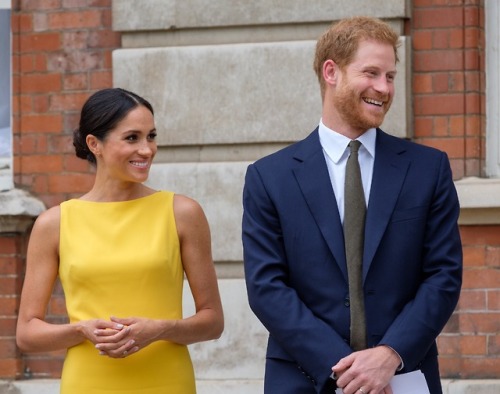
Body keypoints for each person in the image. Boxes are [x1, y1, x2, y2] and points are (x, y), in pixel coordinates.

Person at [242, 16, 462, 394]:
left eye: (390, 76)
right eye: (371, 73)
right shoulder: (269, 177)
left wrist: (390, 354)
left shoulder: (428, 168)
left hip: (402, 376)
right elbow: (267, 287)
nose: (384, 88)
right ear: (332, 72)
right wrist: (345, 370)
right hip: (304, 378)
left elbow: (443, 275)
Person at [16, 88, 224, 393]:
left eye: (151, 136)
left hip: (166, 381)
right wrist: (81, 330)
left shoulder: (182, 213)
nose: (147, 149)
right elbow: (26, 333)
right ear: (94, 144)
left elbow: (213, 321)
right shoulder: (54, 223)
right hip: (88, 383)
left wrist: (160, 329)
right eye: (132, 138)